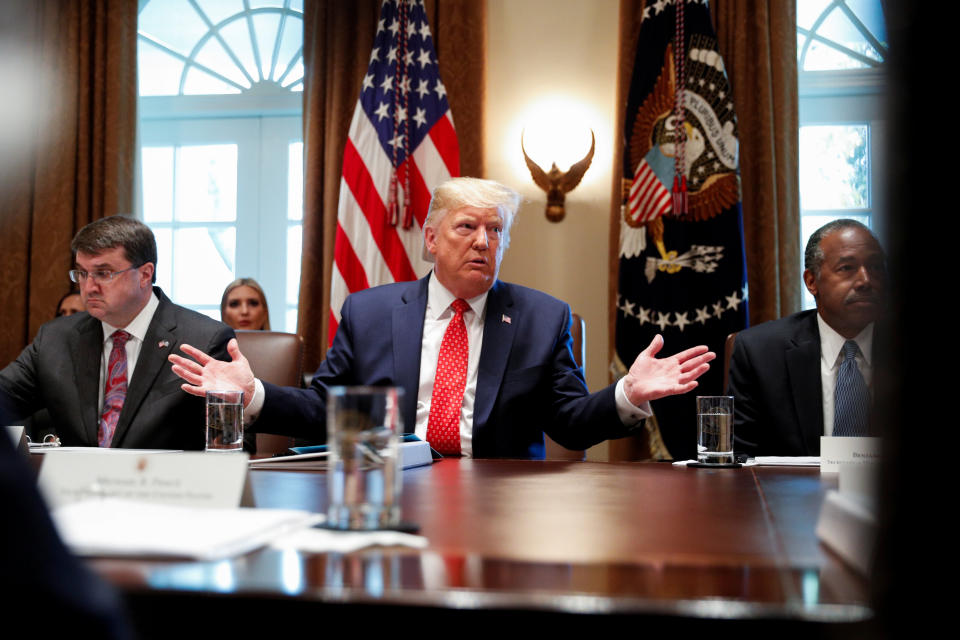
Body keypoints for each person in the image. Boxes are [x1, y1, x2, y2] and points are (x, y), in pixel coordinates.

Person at [170, 178, 715, 458]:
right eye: (467, 227)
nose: (484, 241)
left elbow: (569, 422)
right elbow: (326, 410)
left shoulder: (542, 317)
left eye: (496, 230)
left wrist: (629, 395)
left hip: (498, 497)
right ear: (431, 239)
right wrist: (254, 395)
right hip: (392, 486)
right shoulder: (371, 311)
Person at [0, 215, 235, 449]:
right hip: (75, 484)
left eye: (104, 273)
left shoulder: (204, 341)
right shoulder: (55, 339)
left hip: (167, 482)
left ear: (144, 274)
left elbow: (231, 441)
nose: (89, 287)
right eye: (82, 273)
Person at [727, 219, 885, 456]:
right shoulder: (760, 353)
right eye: (847, 268)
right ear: (811, 281)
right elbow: (741, 461)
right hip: (790, 492)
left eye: (875, 267)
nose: (865, 280)